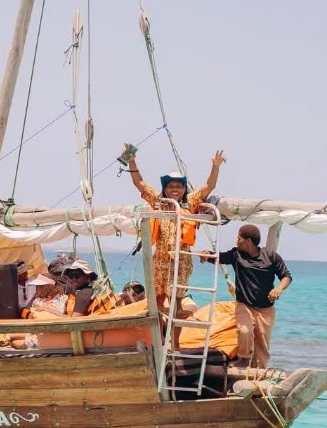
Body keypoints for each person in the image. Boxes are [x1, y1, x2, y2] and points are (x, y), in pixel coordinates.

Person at [125, 147, 226, 316]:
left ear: (184, 189)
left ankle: (175, 333)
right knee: (156, 302)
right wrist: (132, 161)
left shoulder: (190, 202)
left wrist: (215, 166)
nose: (175, 189)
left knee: (176, 304)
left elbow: (209, 186)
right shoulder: (158, 201)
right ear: (165, 188)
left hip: (181, 260)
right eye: (171, 186)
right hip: (160, 260)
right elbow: (140, 184)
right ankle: (159, 330)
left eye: (179, 186)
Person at [200, 224, 291, 368]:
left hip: (265, 310)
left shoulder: (270, 256)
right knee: (245, 330)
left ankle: (259, 371)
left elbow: (286, 276)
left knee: (262, 346)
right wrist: (207, 255)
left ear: (248, 241)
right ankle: (244, 359)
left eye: (239, 238)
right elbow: (220, 257)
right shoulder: (236, 255)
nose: (236, 241)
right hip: (244, 305)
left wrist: (279, 289)